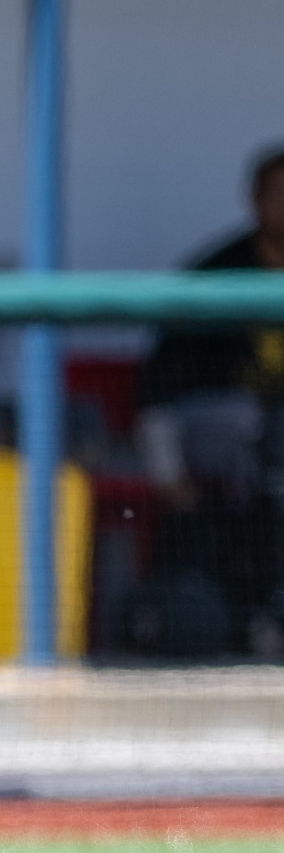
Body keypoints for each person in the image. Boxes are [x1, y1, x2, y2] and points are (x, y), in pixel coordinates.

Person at [134, 145, 284, 651]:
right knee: (250, 428)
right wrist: (167, 470)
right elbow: (157, 387)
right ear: (255, 201)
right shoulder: (217, 273)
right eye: (279, 195)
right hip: (224, 446)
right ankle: (256, 608)